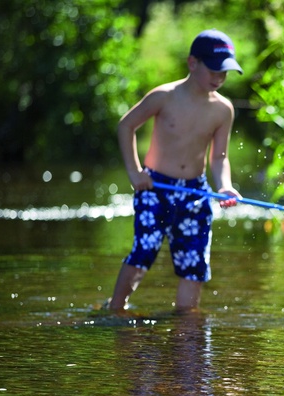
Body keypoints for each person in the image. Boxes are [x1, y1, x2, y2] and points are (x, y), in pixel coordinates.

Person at [106, 29, 244, 314]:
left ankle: (186, 325)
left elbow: (219, 157)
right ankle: (115, 310)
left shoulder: (223, 110)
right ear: (193, 63)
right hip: (155, 188)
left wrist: (224, 186)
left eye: (225, 72)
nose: (219, 78)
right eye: (214, 70)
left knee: (194, 263)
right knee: (144, 250)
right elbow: (126, 126)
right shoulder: (164, 97)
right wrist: (135, 173)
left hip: (195, 192)